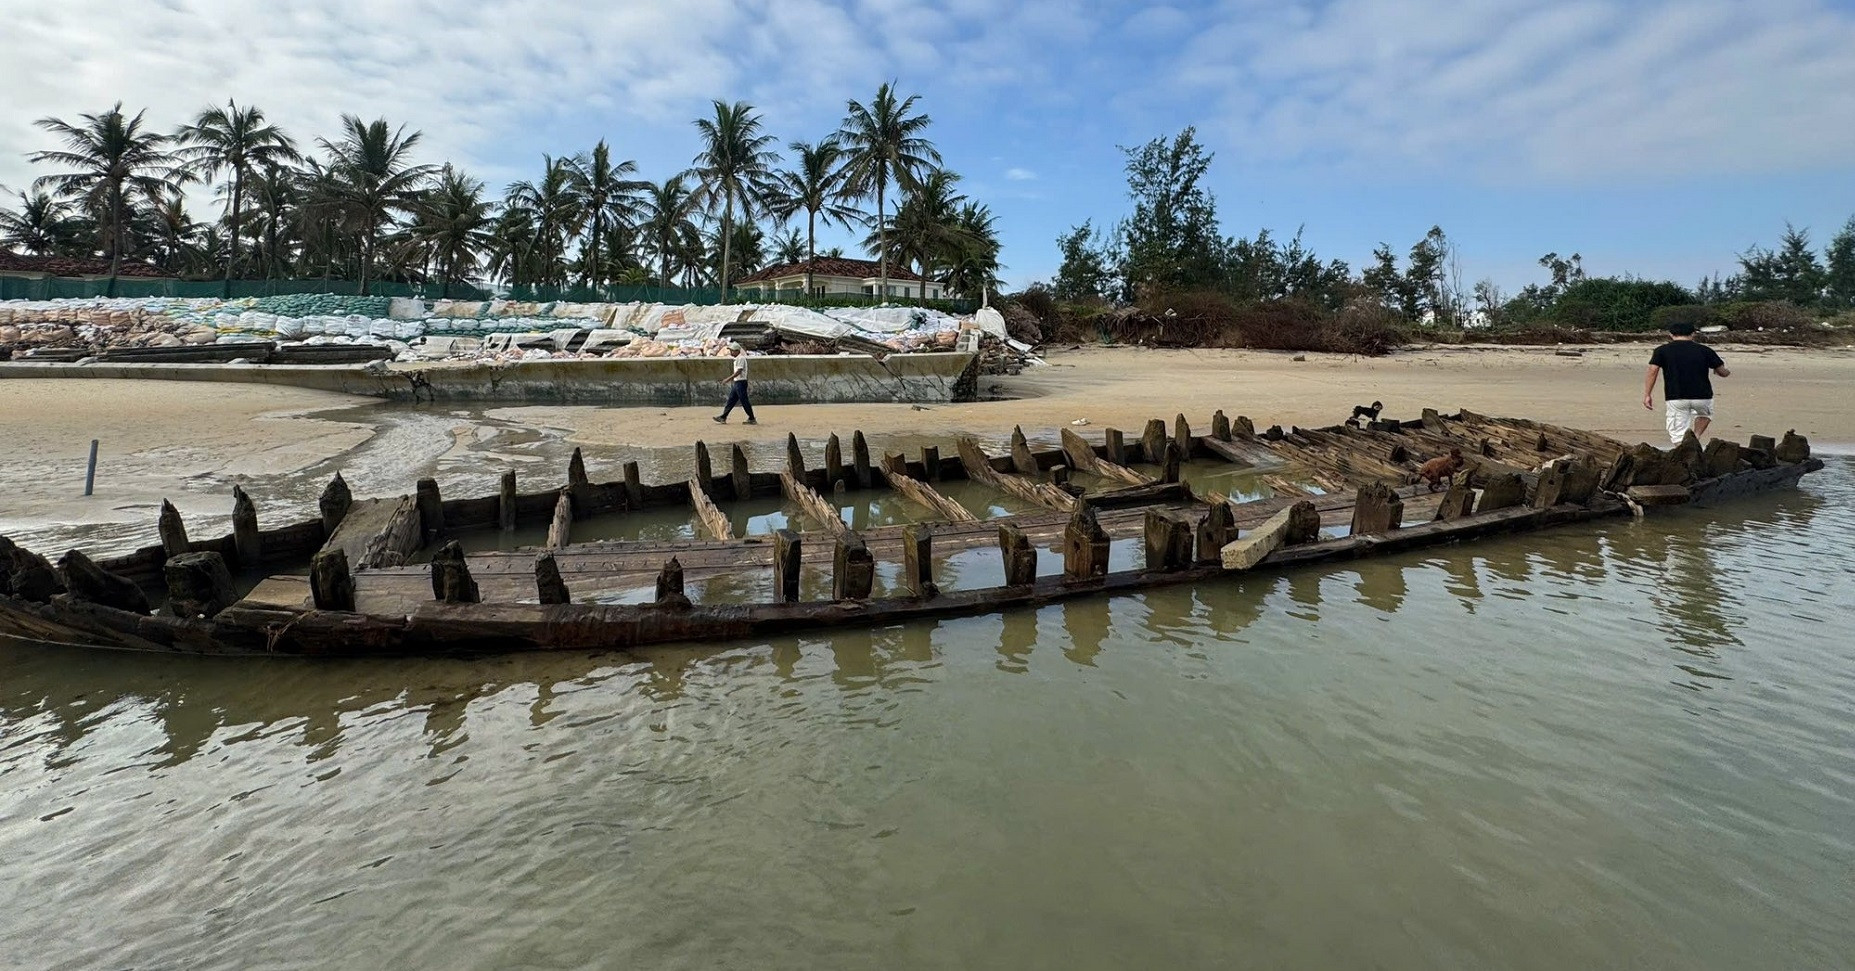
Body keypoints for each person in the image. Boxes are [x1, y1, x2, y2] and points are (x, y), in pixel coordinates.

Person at [1643, 321, 1729, 445]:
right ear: (1692, 334)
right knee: (1705, 415)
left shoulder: (1662, 351)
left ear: (1671, 334)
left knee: (1678, 433)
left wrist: (1647, 394)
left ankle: (1685, 448)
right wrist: (1725, 371)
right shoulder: (1704, 350)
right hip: (1702, 395)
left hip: (1676, 395)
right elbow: (1722, 372)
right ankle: (1696, 436)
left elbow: (1653, 371)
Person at [713, 343, 757, 425]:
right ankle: (723, 417)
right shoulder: (738, 359)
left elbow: (739, 371)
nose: (730, 352)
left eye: (732, 351)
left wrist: (728, 379)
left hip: (740, 382)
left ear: (737, 351)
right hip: (738, 382)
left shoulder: (740, 358)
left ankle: (752, 418)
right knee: (731, 400)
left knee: (744, 401)